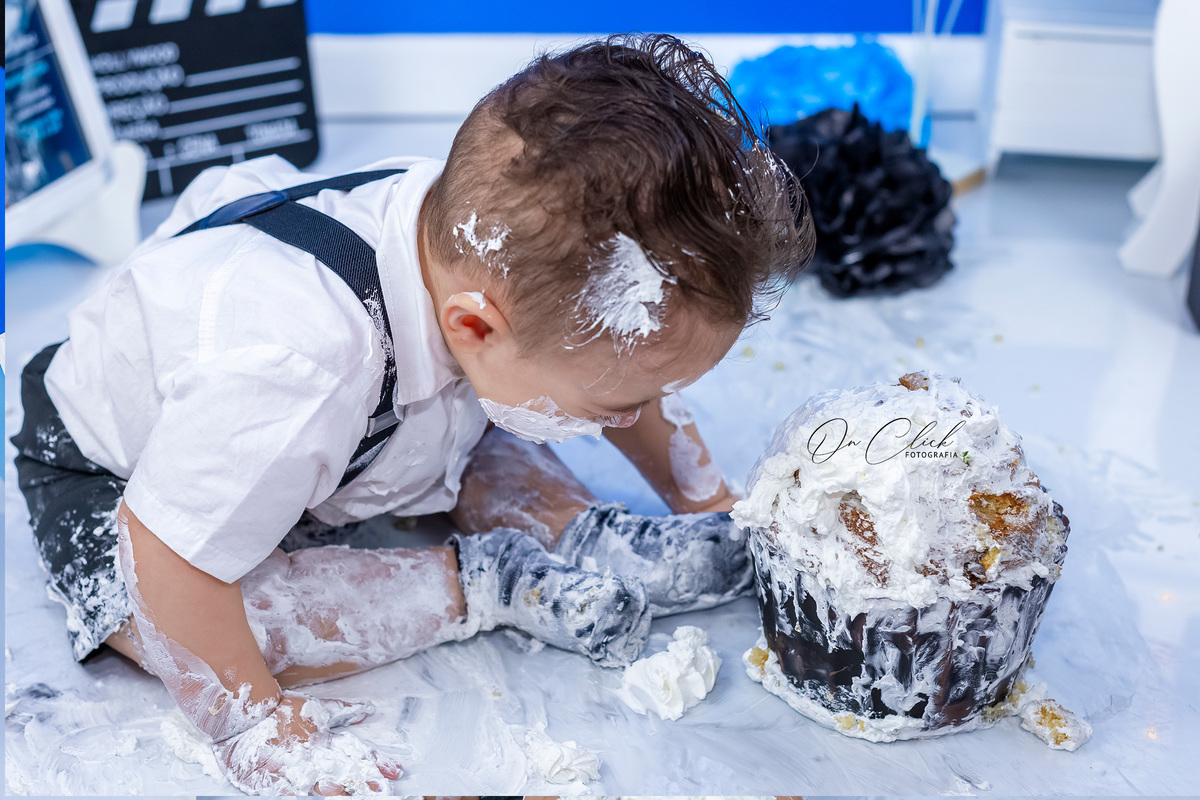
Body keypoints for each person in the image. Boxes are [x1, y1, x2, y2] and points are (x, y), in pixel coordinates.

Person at [10, 33, 812, 795]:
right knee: (175, 616)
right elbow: (168, 560)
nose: (637, 418)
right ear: (472, 327)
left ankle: (582, 532)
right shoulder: (296, 366)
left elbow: (627, 369)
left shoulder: (483, 249)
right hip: (116, 475)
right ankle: (489, 583)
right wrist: (250, 723)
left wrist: (707, 499)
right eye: (618, 408)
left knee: (515, 404)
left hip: (341, 421)